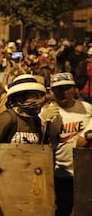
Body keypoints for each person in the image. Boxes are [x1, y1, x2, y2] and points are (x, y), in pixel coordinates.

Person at [40, 72, 92, 216]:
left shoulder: (87, 108)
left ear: (74, 89)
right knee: (63, 208)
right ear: (52, 91)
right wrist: (42, 122)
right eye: (58, 89)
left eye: (66, 88)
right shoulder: (48, 112)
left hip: (85, 169)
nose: (62, 93)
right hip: (60, 170)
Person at [0, 74, 47, 145]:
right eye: (34, 97)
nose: (39, 101)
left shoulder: (36, 121)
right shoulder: (7, 118)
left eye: (39, 97)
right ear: (19, 99)